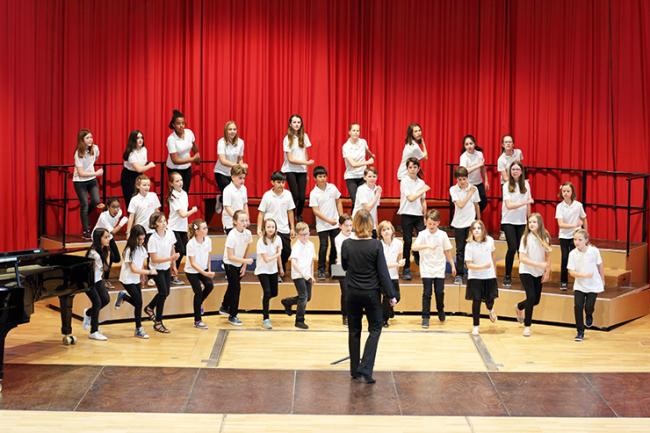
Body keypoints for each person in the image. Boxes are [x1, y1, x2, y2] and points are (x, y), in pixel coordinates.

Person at [342, 209, 397, 384]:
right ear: (370, 225)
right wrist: (391, 295)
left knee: (354, 330)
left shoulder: (346, 244)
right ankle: (366, 367)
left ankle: (354, 370)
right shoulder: (375, 245)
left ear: (355, 224)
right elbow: (383, 272)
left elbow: (344, 266)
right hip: (371, 293)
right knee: (375, 328)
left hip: (351, 293)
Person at [412, 209, 456, 327]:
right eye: (429, 223)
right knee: (427, 293)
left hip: (439, 267)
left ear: (438, 223)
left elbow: (447, 251)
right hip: (426, 267)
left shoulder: (442, 235)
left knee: (439, 292)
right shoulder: (422, 234)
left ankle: (440, 310)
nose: (431, 226)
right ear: (426, 222)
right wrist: (426, 245)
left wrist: (452, 265)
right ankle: (425, 317)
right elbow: (414, 247)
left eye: (434, 224)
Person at [515, 213, 552, 337]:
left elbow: (548, 255)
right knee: (531, 296)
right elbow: (522, 258)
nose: (531, 224)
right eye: (530, 222)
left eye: (534, 222)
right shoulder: (525, 238)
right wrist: (538, 264)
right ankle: (527, 326)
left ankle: (519, 306)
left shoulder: (545, 237)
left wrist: (547, 270)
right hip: (526, 271)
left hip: (538, 272)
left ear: (539, 223)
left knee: (535, 301)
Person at [115, 224, 154, 339]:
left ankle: (124, 297)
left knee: (138, 302)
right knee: (139, 303)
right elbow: (133, 269)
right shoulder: (129, 250)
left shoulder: (142, 248)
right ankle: (138, 328)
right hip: (127, 280)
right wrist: (149, 272)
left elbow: (141, 263)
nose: (142, 241)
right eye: (139, 239)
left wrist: (143, 276)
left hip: (136, 279)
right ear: (134, 237)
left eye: (143, 239)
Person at [144, 212, 180, 333]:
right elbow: (154, 259)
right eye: (160, 221)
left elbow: (172, 248)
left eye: (164, 220)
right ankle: (158, 322)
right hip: (156, 269)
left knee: (166, 292)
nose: (164, 223)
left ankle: (149, 307)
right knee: (163, 292)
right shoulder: (152, 239)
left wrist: (173, 265)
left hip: (166, 267)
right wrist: (171, 258)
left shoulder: (170, 233)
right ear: (155, 224)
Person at [257, 171, 296, 279]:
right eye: (278, 182)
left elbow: (290, 211)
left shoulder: (287, 194)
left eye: (283, 182)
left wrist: (292, 227)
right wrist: (259, 228)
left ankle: (280, 267)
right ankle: (276, 272)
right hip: (270, 229)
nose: (281, 185)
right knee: (272, 250)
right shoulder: (267, 196)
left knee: (287, 251)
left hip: (284, 228)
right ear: (272, 182)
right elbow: (261, 213)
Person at [568, 229, 604, 342]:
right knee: (578, 306)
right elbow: (571, 271)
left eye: (580, 239)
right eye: (575, 239)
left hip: (593, 285)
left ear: (586, 240)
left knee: (589, 306)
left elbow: (600, 265)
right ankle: (580, 332)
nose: (577, 242)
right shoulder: (572, 254)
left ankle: (589, 314)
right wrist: (582, 275)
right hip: (579, 285)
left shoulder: (594, 251)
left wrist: (602, 279)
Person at [501, 161, 533, 287]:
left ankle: (524, 276)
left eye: (517, 169)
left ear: (521, 171)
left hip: (521, 221)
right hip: (508, 221)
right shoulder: (506, 185)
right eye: (513, 169)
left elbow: (529, 203)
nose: (515, 171)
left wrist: (529, 220)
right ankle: (507, 275)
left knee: (522, 250)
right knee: (512, 247)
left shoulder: (526, 185)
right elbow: (509, 206)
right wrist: (524, 202)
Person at [397, 157, 430, 280]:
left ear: (418, 168)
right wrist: (423, 189)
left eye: (415, 167)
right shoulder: (405, 181)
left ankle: (416, 253)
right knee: (408, 241)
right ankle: (406, 268)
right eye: (410, 167)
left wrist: (425, 216)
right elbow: (411, 198)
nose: (412, 169)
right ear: (407, 168)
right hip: (406, 213)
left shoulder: (421, 182)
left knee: (422, 238)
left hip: (418, 215)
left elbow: (423, 200)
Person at [464, 219, 498, 336]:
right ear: (471, 231)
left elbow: (493, 255)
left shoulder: (490, 241)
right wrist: (482, 266)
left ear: (483, 230)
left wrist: (494, 271)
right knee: (476, 301)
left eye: (479, 228)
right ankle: (476, 326)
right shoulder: (469, 245)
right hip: (475, 277)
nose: (477, 230)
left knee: (490, 299)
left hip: (489, 275)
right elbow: (469, 265)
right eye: (474, 228)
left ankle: (490, 309)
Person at [309, 165, 343, 280]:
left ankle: (333, 269)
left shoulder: (332, 188)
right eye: (320, 176)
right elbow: (315, 211)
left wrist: (340, 217)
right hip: (323, 225)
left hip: (335, 223)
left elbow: (338, 202)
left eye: (324, 176)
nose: (323, 178)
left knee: (335, 245)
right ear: (315, 178)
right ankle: (321, 270)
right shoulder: (314, 193)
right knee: (324, 246)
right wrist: (328, 220)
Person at [220, 210, 253, 326]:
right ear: (234, 222)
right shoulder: (232, 235)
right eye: (241, 220)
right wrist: (245, 261)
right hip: (230, 264)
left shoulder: (248, 233)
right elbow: (230, 256)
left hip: (239, 264)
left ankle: (224, 306)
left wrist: (244, 265)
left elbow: (247, 249)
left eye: (246, 220)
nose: (244, 223)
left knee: (232, 286)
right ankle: (232, 315)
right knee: (236, 288)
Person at [281, 222, 316, 329]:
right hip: (298, 275)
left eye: (306, 234)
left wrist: (311, 274)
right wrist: (305, 275)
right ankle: (299, 320)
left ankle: (287, 302)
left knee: (307, 297)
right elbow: (294, 263)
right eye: (302, 235)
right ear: (298, 235)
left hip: (307, 274)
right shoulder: (297, 246)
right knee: (303, 296)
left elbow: (312, 261)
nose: (305, 236)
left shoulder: (311, 245)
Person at [449, 166, 480, 284]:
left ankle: (473, 273)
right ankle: (460, 274)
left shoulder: (474, 189)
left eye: (464, 179)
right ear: (456, 179)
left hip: (471, 223)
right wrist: (469, 193)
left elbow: (476, 205)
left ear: (467, 178)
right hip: (459, 223)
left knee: (473, 248)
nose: (462, 182)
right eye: (460, 179)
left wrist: (479, 221)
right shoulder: (453, 189)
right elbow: (460, 205)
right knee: (460, 249)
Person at [281, 114, 314, 222]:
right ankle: (291, 216)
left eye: (299, 122)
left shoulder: (304, 136)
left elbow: (305, 154)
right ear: (290, 124)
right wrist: (307, 163)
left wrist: (307, 170)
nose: (297, 124)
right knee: (295, 195)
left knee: (302, 197)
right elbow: (290, 159)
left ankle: (298, 215)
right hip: (290, 170)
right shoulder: (287, 138)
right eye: (294, 122)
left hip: (302, 170)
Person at [556, 182, 588, 290]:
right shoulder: (560, 206)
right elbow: (561, 224)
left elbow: (584, 218)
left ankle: (579, 281)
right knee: (565, 257)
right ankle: (563, 281)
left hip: (577, 236)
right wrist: (574, 225)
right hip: (564, 236)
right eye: (563, 191)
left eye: (568, 191)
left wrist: (585, 233)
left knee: (577, 258)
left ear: (572, 192)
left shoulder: (578, 205)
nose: (565, 193)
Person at [168, 171, 198, 285]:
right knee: (179, 250)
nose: (180, 182)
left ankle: (172, 272)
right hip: (174, 228)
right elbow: (182, 214)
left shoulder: (184, 193)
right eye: (177, 181)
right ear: (171, 184)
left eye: (181, 180)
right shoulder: (173, 196)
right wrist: (193, 210)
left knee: (183, 251)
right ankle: (172, 275)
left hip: (182, 228)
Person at [184, 219, 214, 330]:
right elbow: (192, 263)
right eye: (204, 228)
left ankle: (199, 304)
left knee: (210, 285)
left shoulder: (208, 241)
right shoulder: (191, 244)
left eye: (206, 228)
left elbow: (208, 256)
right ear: (197, 231)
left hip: (203, 269)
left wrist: (208, 271)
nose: (206, 230)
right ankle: (197, 320)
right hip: (192, 271)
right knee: (198, 292)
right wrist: (205, 273)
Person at [73, 129, 103, 239]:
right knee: (84, 204)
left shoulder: (95, 148)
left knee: (96, 201)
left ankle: (84, 214)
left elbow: (95, 159)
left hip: (91, 179)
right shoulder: (78, 153)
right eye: (87, 138)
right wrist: (96, 173)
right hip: (79, 181)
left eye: (91, 137)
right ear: (82, 140)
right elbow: (80, 173)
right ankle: (86, 230)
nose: (90, 139)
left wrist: (93, 173)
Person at [92, 197, 127, 288]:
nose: (116, 209)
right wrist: (121, 224)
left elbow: (111, 233)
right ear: (108, 207)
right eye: (113, 207)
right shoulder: (103, 216)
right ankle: (104, 281)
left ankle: (104, 276)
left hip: (107, 236)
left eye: (118, 207)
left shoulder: (119, 212)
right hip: (98, 237)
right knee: (106, 258)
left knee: (117, 258)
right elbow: (113, 231)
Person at [83, 228, 111, 341]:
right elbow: (87, 270)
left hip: (98, 280)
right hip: (89, 281)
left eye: (108, 237)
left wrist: (107, 253)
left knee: (105, 299)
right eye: (106, 237)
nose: (108, 239)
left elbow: (105, 268)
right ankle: (94, 331)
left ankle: (88, 313)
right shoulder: (93, 253)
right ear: (98, 239)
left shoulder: (103, 250)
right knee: (97, 302)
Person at [255, 218, 283, 329]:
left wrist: (281, 268)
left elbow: (278, 256)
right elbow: (266, 259)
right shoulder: (261, 241)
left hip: (273, 270)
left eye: (272, 227)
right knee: (267, 291)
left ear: (275, 228)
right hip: (262, 270)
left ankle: (265, 298)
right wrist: (278, 253)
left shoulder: (278, 239)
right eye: (268, 227)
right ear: (264, 228)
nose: (271, 229)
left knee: (274, 293)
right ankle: (266, 318)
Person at [214, 120, 247, 214]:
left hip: (233, 173)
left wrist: (241, 169)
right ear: (226, 131)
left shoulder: (241, 142)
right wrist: (238, 165)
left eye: (234, 129)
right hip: (221, 172)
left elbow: (240, 158)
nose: (232, 131)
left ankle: (221, 200)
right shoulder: (221, 142)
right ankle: (222, 201)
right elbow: (222, 160)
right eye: (230, 129)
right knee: (227, 192)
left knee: (234, 193)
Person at [166, 109, 200, 192]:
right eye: (178, 123)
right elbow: (175, 160)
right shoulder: (171, 139)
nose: (181, 125)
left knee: (185, 192)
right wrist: (192, 159)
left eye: (183, 123)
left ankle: (184, 205)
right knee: (176, 193)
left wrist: (197, 158)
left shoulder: (189, 132)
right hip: (174, 168)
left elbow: (194, 147)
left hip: (187, 167)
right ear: (173, 125)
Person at [377, 220, 403, 327]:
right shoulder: (378, 245)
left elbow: (400, 256)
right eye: (383, 230)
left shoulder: (398, 243)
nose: (386, 232)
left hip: (394, 275)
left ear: (392, 230)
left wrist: (399, 266)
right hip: (382, 276)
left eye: (388, 229)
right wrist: (396, 264)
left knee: (397, 297)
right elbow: (381, 264)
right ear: (380, 233)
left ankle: (390, 308)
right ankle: (384, 320)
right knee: (387, 297)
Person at [342, 123, 375, 209]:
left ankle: (360, 221)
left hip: (362, 176)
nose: (356, 132)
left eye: (358, 130)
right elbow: (353, 164)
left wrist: (371, 155)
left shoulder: (363, 142)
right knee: (356, 200)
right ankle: (354, 220)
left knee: (363, 200)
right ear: (349, 132)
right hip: (351, 176)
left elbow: (367, 150)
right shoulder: (346, 146)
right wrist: (367, 162)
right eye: (354, 130)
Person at [121, 130, 155, 207]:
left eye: (141, 138)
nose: (140, 140)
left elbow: (142, 165)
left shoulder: (144, 149)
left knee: (140, 199)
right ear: (133, 140)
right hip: (129, 176)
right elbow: (139, 169)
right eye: (137, 138)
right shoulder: (131, 153)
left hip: (139, 176)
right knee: (131, 200)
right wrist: (150, 165)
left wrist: (144, 166)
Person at [459, 134, 489, 212]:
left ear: (474, 144)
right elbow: (464, 171)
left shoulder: (479, 154)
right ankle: (472, 219)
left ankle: (475, 217)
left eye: (471, 143)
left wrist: (486, 180)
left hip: (479, 183)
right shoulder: (463, 157)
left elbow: (483, 168)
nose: (469, 146)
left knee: (483, 202)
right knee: (471, 203)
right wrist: (478, 165)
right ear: (464, 146)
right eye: (467, 144)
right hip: (468, 184)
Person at [334, 214, 353, 325]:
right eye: (346, 225)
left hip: (354, 268)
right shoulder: (338, 239)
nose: (349, 228)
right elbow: (344, 255)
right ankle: (345, 316)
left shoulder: (355, 236)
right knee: (345, 293)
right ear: (340, 226)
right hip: (341, 267)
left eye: (350, 225)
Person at [352, 167, 382, 237]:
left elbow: (374, 209)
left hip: (371, 223)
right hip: (360, 222)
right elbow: (367, 209)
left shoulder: (377, 189)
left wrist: (376, 226)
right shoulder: (361, 189)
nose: (372, 178)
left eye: (374, 176)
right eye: (369, 176)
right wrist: (377, 194)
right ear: (364, 178)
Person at [222, 164, 249, 234]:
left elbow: (245, 204)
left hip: (241, 221)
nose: (242, 180)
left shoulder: (244, 188)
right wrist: (237, 218)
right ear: (233, 177)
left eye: (244, 178)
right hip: (230, 222)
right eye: (240, 178)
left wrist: (247, 218)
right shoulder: (227, 190)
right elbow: (227, 207)